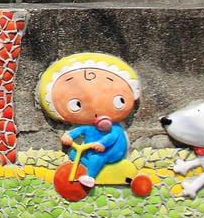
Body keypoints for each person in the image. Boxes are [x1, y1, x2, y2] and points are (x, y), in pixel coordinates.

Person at [36, 52, 139, 188]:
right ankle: (85, 171)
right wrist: (68, 136)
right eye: (76, 104)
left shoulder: (113, 127)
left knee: (97, 158)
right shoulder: (88, 126)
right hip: (91, 148)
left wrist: (102, 144)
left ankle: (90, 177)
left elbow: (113, 137)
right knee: (74, 153)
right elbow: (79, 131)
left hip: (110, 150)